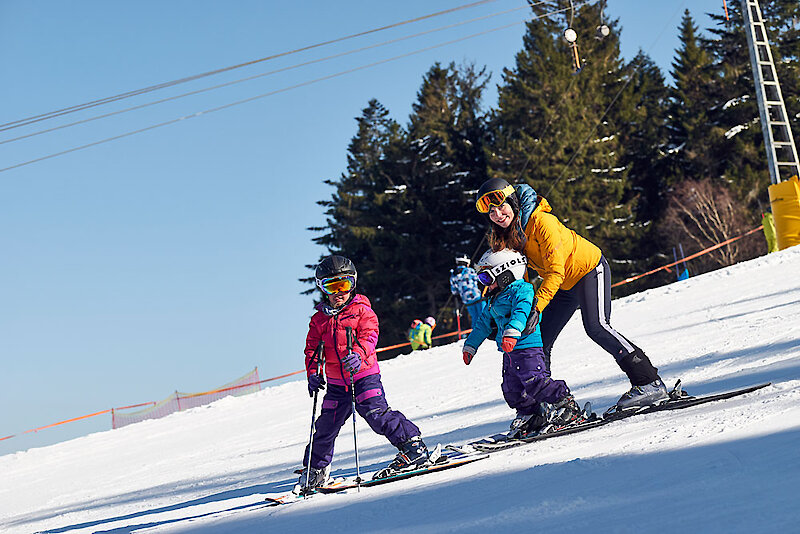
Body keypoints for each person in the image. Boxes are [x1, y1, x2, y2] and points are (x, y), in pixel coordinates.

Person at [475, 178, 669, 410]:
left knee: (597, 326)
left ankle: (649, 382)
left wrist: (535, 308)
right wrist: (512, 311)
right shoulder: (508, 236)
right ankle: (546, 405)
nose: (497, 214)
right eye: (491, 211)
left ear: (513, 201)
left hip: (588, 270)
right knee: (539, 337)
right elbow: (519, 278)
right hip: (563, 286)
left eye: (501, 206)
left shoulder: (542, 221)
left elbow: (556, 271)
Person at [299, 255, 430, 491]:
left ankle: (413, 447)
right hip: (337, 385)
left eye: (344, 285)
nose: (339, 292)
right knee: (326, 426)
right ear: (322, 288)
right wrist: (313, 373)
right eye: (332, 286)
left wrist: (358, 355)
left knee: (376, 413)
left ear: (353, 283)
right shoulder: (319, 320)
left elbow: (370, 336)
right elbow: (312, 349)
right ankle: (315, 470)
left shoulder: (362, 311)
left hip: (364, 375)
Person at [462, 248, 580, 436]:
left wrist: (512, 332)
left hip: (527, 348)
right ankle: (531, 414)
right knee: (511, 389)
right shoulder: (495, 298)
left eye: (486, 278)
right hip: (509, 352)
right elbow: (482, 324)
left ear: (505, 275)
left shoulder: (522, 290)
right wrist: (471, 346)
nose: (485, 285)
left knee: (536, 382)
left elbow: (521, 311)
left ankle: (567, 405)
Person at [449, 255, 486, 328]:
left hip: (466, 300)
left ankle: (476, 333)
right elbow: (480, 279)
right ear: (466, 263)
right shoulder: (469, 270)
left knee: (474, 317)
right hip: (476, 297)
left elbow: (454, 291)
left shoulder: (453, 274)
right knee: (484, 315)